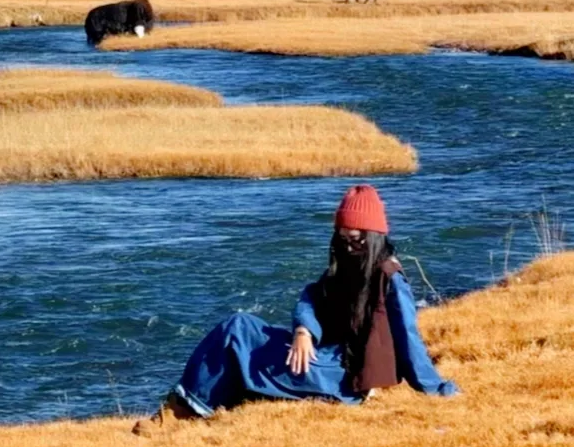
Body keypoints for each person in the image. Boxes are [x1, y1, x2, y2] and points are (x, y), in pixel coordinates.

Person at [134, 184, 458, 432]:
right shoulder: (347, 266)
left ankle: (179, 412)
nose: (348, 246)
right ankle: (188, 405)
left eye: (357, 239)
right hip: (324, 354)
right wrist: (304, 331)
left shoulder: (389, 279)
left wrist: (438, 389)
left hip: (344, 374)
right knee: (240, 324)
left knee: (237, 335)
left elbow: (408, 339)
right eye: (343, 238)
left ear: (373, 237)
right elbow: (311, 296)